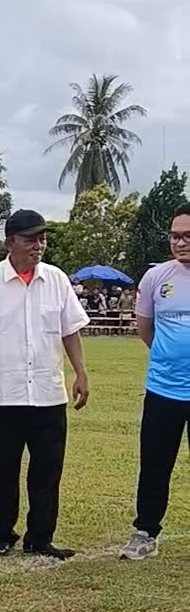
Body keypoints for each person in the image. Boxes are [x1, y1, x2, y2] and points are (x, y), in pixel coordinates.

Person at [0, 210, 90, 559]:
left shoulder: (57, 280)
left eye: (42, 238)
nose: (38, 245)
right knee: (1, 469)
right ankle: (1, 534)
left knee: (47, 470)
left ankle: (40, 538)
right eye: (30, 239)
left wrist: (81, 372)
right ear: (10, 242)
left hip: (47, 393)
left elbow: (70, 330)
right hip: (2, 394)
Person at [120, 203, 190, 560]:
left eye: (187, 236)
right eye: (175, 236)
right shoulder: (156, 277)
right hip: (164, 388)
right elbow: (145, 328)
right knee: (155, 464)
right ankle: (145, 532)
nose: (180, 243)